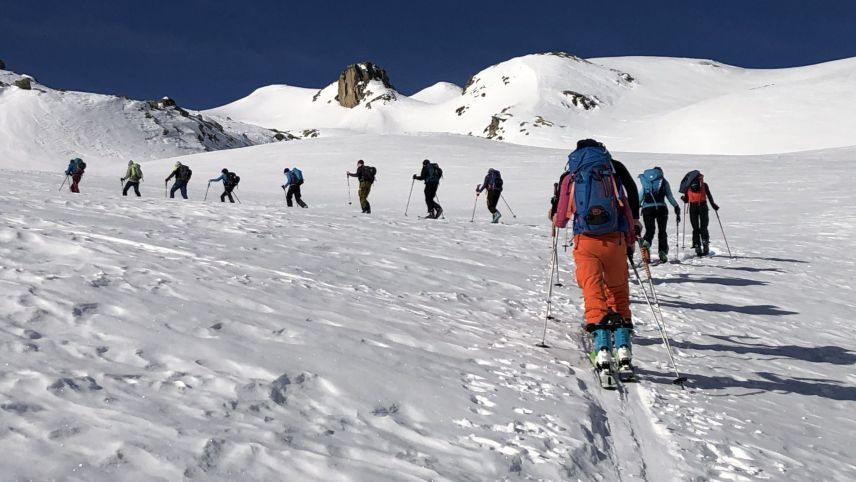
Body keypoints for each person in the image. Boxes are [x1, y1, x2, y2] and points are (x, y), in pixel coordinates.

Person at [561, 139, 640, 381]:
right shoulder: (613, 169)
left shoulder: (572, 173)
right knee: (618, 289)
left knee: (593, 289)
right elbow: (629, 199)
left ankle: (602, 348)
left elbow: (561, 217)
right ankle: (623, 346)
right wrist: (632, 228)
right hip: (615, 239)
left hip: (585, 240)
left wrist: (556, 217)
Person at [638, 167, 680, 263]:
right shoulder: (664, 182)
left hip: (647, 209)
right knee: (662, 231)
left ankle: (646, 244)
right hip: (661, 209)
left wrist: (636, 207)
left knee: (650, 230)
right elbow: (670, 196)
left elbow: (640, 196)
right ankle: (662, 253)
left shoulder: (646, 182)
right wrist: (676, 206)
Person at [679, 171, 719, 256]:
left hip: (693, 208)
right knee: (704, 227)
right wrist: (713, 205)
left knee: (695, 228)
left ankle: (697, 246)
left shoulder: (688, 185)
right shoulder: (704, 185)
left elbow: (686, 200)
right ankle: (705, 245)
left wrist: (683, 198)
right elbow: (709, 196)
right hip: (703, 206)